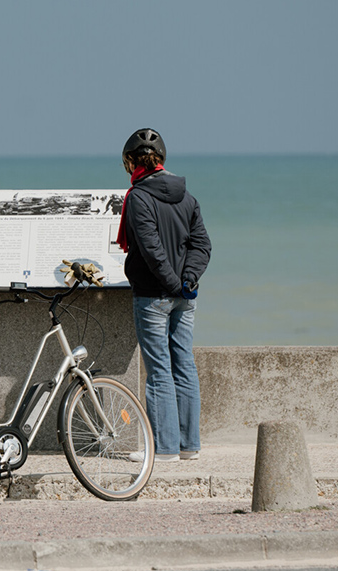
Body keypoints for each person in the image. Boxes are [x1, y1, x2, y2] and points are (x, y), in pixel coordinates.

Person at [116, 128, 212, 463]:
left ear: (131, 162)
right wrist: (187, 280)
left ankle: (165, 449)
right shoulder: (187, 197)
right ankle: (189, 447)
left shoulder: (139, 198)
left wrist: (173, 283)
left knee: (159, 370)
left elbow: (151, 249)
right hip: (185, 296)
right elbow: (202, 246)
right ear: (162, 160)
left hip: (153, 295)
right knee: (184, 364)